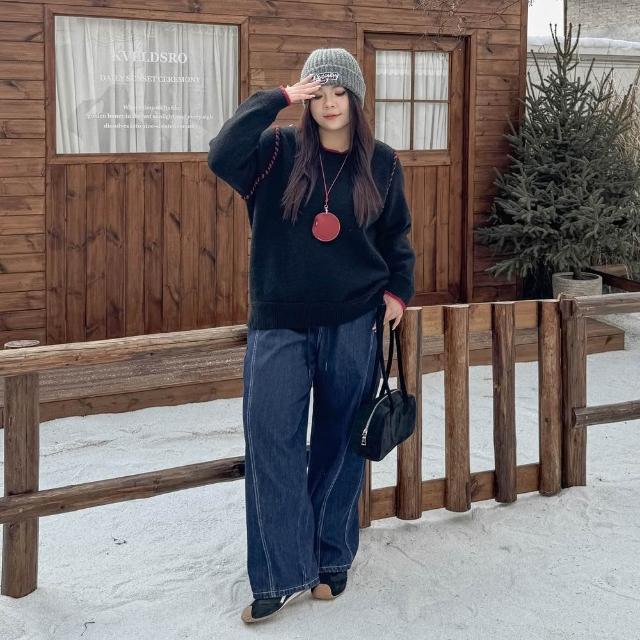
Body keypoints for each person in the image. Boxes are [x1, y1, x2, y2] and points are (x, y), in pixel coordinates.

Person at [207, 47, 416, 624]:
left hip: (354, 320)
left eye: (339, 92)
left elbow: (396, 238)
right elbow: (220, 154)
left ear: (356, 98)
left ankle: (330, 557)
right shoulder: (275, 152)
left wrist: (398, 292)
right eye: (317, 93)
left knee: (340, 443)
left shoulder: (382, 163)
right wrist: (276, 98)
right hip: (279, 323)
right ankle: (279, 574)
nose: (328, 104)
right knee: (271, 442)